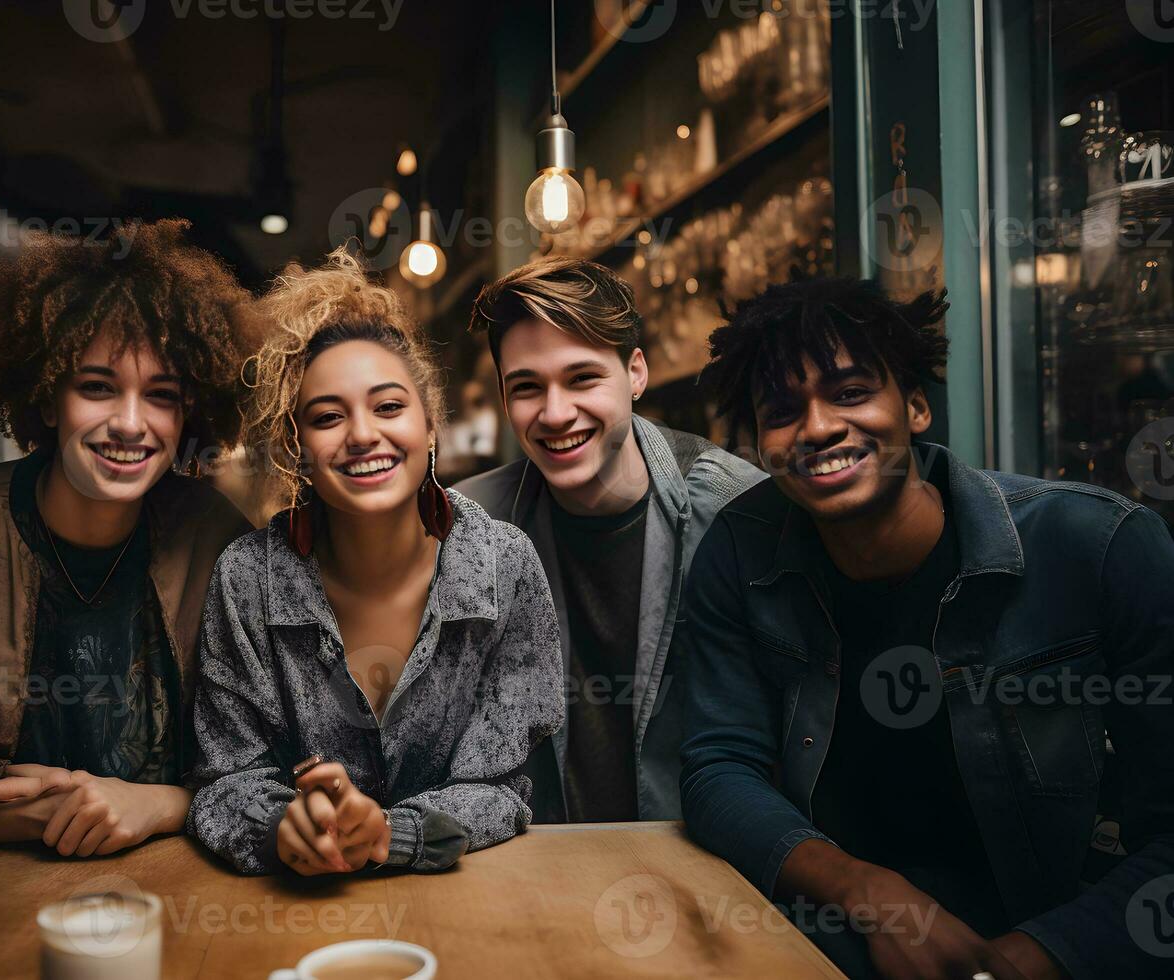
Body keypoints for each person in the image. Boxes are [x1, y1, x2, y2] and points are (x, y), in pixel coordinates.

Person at [678, 275, 1174, 979]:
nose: (818, 427)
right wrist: (868, 894)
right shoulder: (740, 548)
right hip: (836, 941)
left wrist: (1039, 956)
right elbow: (718, 767)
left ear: (914, 407)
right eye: (784, 411)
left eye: (850, 393)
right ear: (761, 444)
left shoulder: (1100, 544)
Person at [0, 219, 251, 856]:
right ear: (47, 395)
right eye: (97, 387)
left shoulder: (214, 535)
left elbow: (259, 763)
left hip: (182, 889)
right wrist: (75, 808)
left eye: (161, 395)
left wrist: (161, 803)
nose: (131, 424)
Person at [190, 250, 564, 875]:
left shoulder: (504, 565)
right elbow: (224, 779)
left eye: (389, 407)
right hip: (295, 915)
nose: (363, 434)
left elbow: (503, 787)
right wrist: (284, 825)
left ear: (430, 425)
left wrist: (391, 834)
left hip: (475, 907)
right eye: (328, 418)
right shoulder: (247, 579)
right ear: (295, 449)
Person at [454, 256, 763, 822]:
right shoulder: (470, 526)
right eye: (527, 387)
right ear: (504, 399)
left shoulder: (735, 509)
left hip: (703, 863)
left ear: (636, 373)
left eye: (582, 378)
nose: (554, 412)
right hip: (542, 869)